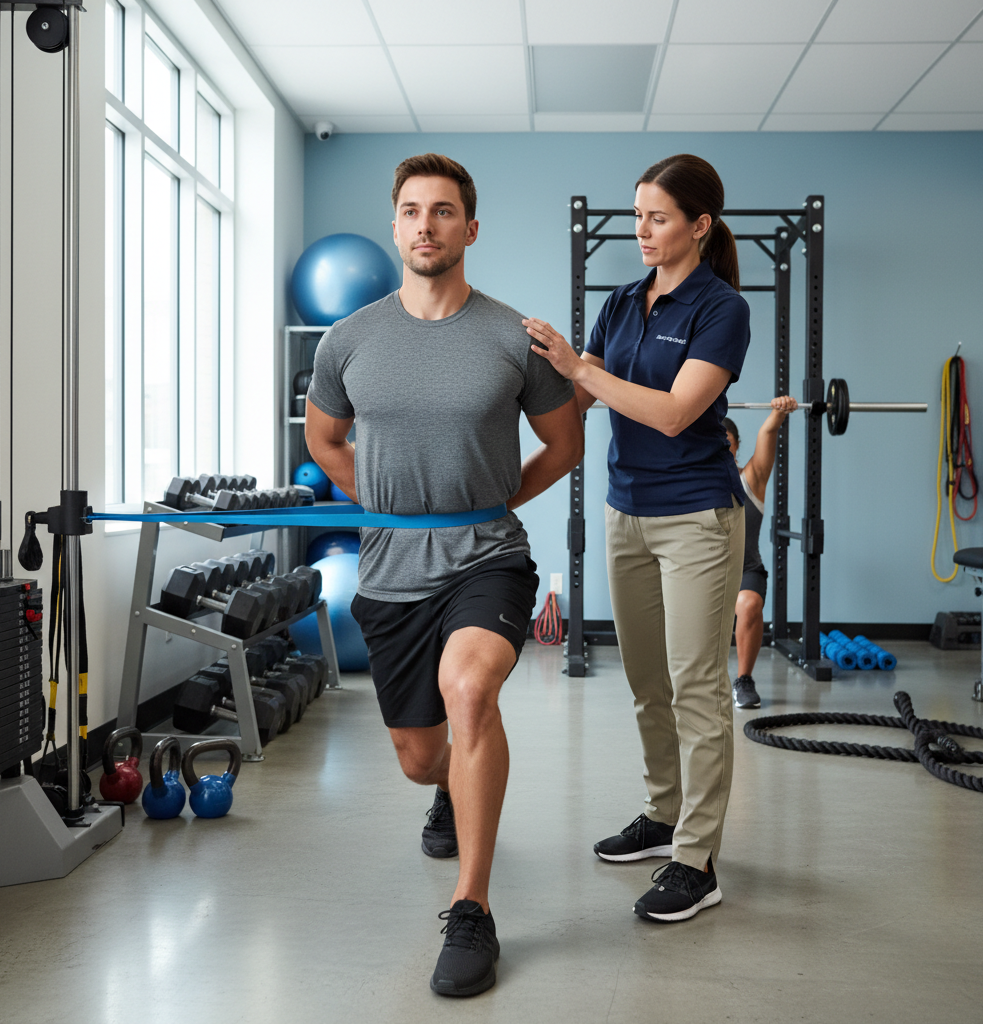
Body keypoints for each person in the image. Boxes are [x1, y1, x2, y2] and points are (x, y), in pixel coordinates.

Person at [304, 153, 583, 997]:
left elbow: (564, 447)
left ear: (469, 227)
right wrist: (391, 505)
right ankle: (446, 793)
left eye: (444, 211)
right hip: (392, 570)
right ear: (396, 225)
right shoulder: (347, 340)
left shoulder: (514, 338)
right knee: (422, 758)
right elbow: (324, 442)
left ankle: (473, 910)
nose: (426, 224)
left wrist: (493, 500)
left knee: (472, 693)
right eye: (412, 211)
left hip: (486, 558)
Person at [523, 153, 749, 924]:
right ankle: (663, 815)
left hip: (696, 520)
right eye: (638, 216)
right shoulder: (623, 302)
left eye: (658, 217)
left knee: (698, 688)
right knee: (647, 683)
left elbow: (676, 412)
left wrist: (581, 373)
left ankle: (698, 859)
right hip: (626, 513)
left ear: (699, 225)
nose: (643, 231)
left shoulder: (721, 309)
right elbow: (577, 398)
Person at [723, 397, 798, 709]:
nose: (719, 444)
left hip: (745, 571)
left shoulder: (750, 480)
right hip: (701, 571)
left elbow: (766, 435)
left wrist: (777, 415)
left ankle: (743, 680)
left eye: (725, 440)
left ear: (736, 445)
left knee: (750, 603)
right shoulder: (690, 483)